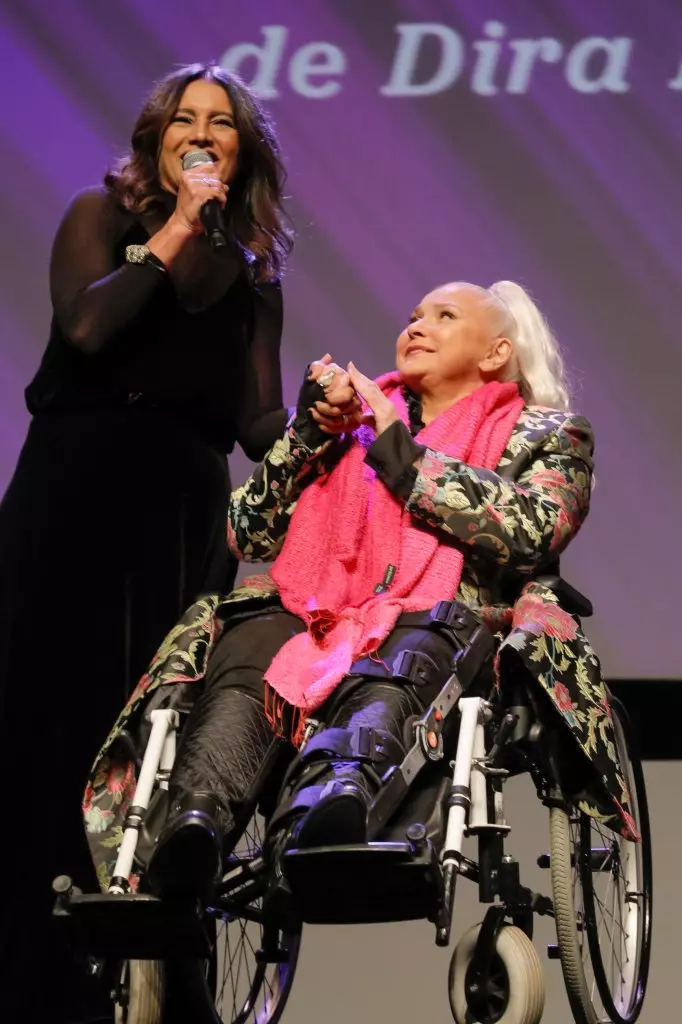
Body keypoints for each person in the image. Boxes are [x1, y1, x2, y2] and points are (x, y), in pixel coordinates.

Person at [85, 279, 636, 911]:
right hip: (316, 615)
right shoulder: (346, 431)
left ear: (495, 354)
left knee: (410, 644)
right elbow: (246, 532)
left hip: (441, 623)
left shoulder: (547, 434)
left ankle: (337, 802)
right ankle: (195, 824)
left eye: (444, 315)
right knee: (250, 644)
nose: (416, 326)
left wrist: (399, 451)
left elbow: (530, 529)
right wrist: (305, 439)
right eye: (412, 315)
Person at [0, 63, 291, 1023]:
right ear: (156, 138)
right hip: (78, 497)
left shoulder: (253, 280)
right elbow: (85, 329)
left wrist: (334, 431)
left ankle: (163, 979)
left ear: (242, 150)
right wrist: (169, 232)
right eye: (184, 120)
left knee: (154, 748)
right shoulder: (100, 215)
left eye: (222, 123)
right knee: (50, 730)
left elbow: (255, 422)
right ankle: (34, 985)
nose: (201, 134)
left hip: (181, 518)